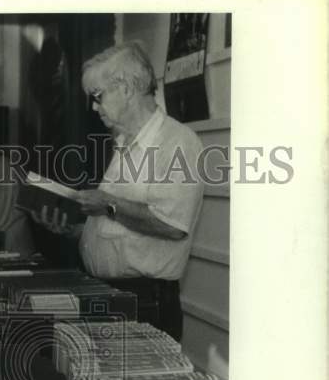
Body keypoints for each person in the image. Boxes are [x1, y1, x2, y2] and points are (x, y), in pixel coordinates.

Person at [38, 42, 205, 341]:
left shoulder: (178, 143)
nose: (93, 106)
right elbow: (122, 230)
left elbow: (172, 227)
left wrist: (107, 203)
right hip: (111, 295)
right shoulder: (124, 143)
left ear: (127, 89)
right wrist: (75, 231)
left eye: (97, 96)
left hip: (144, 302)